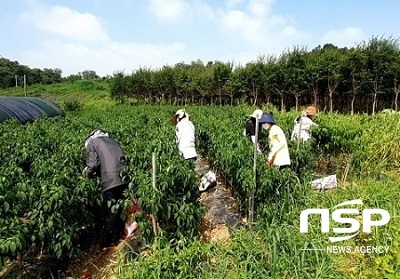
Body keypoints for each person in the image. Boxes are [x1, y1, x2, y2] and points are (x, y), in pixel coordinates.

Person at [83, 129, 130, 248]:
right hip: (124, 176)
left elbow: (93, 164)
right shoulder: (112, 141)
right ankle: (120, 232)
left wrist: (86, 173)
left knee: (110, 210)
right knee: (120, 207)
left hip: (110, 179)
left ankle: (110, 240)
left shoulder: (93, 143)